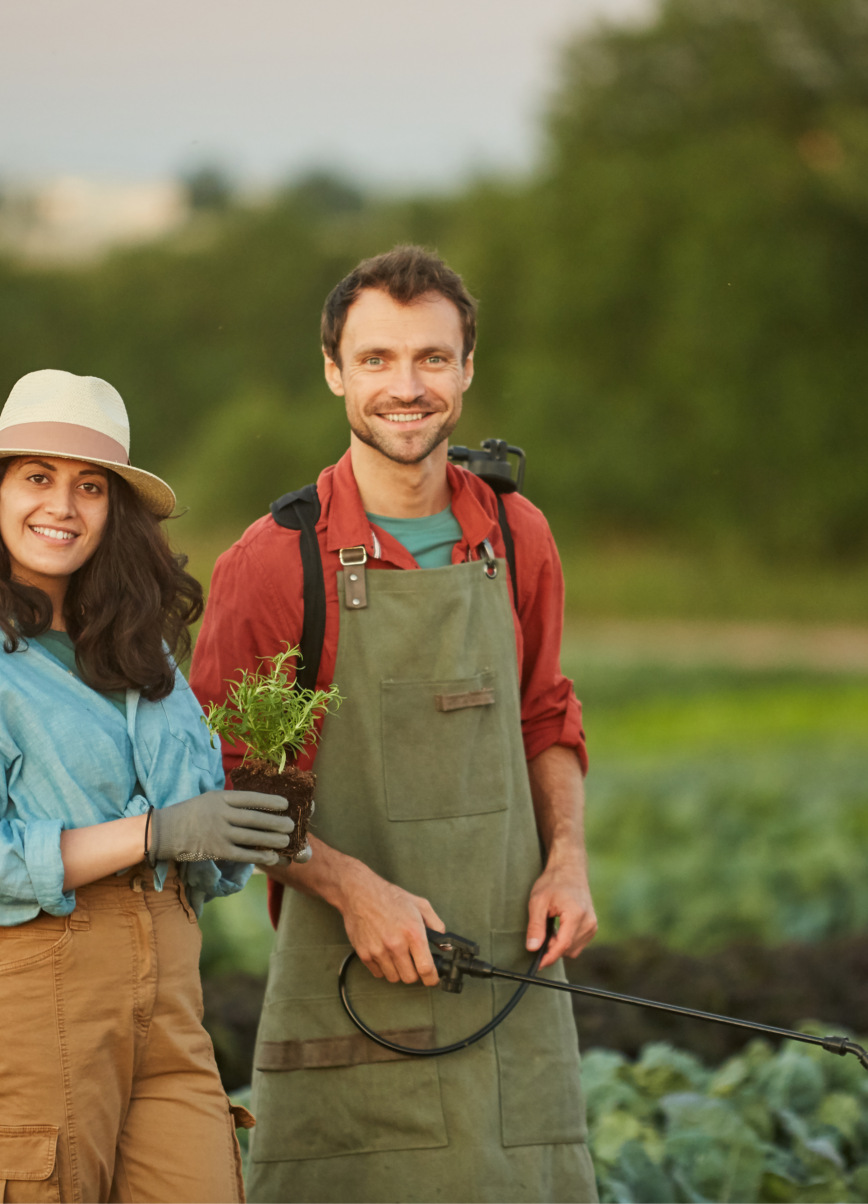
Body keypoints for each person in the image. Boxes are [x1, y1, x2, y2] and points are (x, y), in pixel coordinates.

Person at [189, 247, 598, 1202]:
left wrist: (568, 857)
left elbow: (546, 716)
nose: (405, 387)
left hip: (508, 974)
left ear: (466, 371)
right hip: (348, 986)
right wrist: (354, 888)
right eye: (377, 360)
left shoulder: (516, 533)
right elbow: (223, 782)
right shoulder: (272, 560)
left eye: (430, 359)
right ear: (335, 372)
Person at [0, 368, 295, 1204]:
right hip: (26, 998)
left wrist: (248, 823)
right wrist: (153, 834)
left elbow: (200, 826)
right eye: (37, 478)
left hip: (167, 1003)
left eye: (89, 487)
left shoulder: (139, 653)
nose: (62, 507)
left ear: (114, 510)